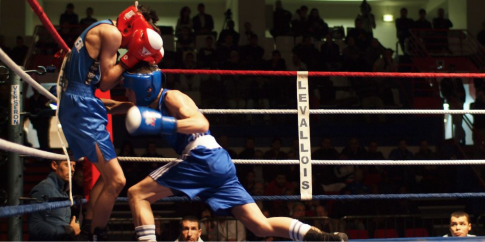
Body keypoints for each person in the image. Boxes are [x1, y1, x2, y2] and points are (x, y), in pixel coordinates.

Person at [119, 62, 348, 241]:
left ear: (143, 88)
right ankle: (322, 238)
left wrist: (162, 124)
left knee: (137, 194)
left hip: (201, 158)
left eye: (129, 90)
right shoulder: (150, 105)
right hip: (217, 162)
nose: (127, 95)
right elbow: (119, 106)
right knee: (260, 226)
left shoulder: (172, 96)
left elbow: (201, 123)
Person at [57, 3, 164, 240]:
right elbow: (105, 83)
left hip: (80, 102)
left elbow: (98, 89)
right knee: (117, 180)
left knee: (108, 177)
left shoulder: (103, 28)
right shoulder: (113, 34)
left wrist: (134, 105)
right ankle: (97, 234)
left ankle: (88, 227)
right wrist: (133, 56)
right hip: (81, 105)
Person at [28, 159, 79, 241]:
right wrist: (69, 230)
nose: (72, 169)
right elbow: (35, 226)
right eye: (67, 165)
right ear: (54, 165)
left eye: (73, 166)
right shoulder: (43, 188)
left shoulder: (63, 192)